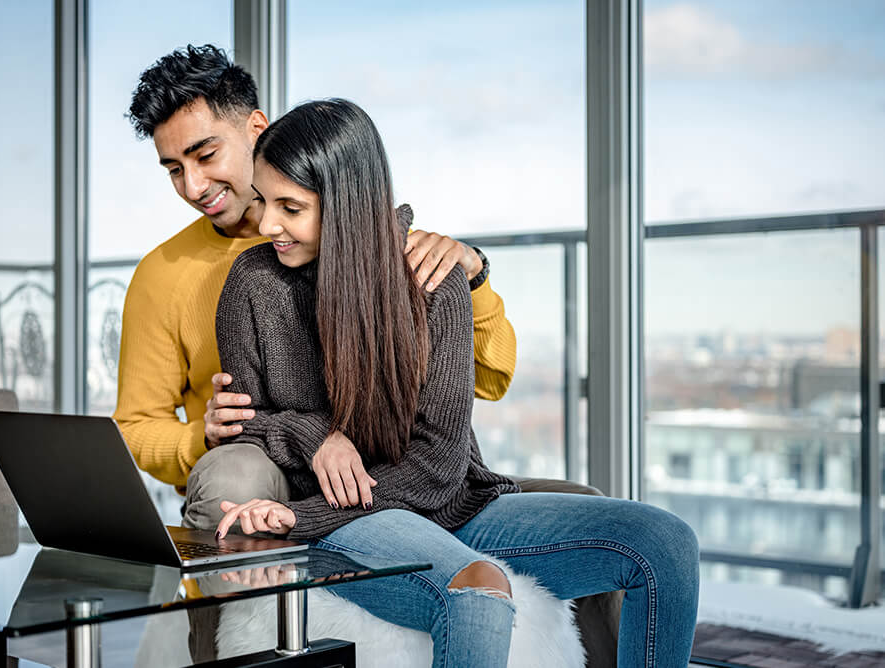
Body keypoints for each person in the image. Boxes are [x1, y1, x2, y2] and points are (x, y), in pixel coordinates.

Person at [213, 99, 700, 668]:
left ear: (347, 209)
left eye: (289, 207)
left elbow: (437, 467)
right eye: (263, 201)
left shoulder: (434, 280)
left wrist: (304, 517)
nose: (267, 223)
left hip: (455, 507)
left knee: (667, 545)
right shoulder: (252, 282)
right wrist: (315, 435)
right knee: (476, 589)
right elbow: (244, 419)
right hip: (359, 524)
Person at [114, 44, 515, 529]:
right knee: (235, 475)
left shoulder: (380, 256)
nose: (194, 186)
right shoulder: (166, 274)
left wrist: (472, 278)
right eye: (174, 169)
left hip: (389, 474)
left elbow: (491, 381)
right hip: (268, 467)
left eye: (206, 155)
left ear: (257, 130)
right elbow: (135, 424)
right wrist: (205, 435)